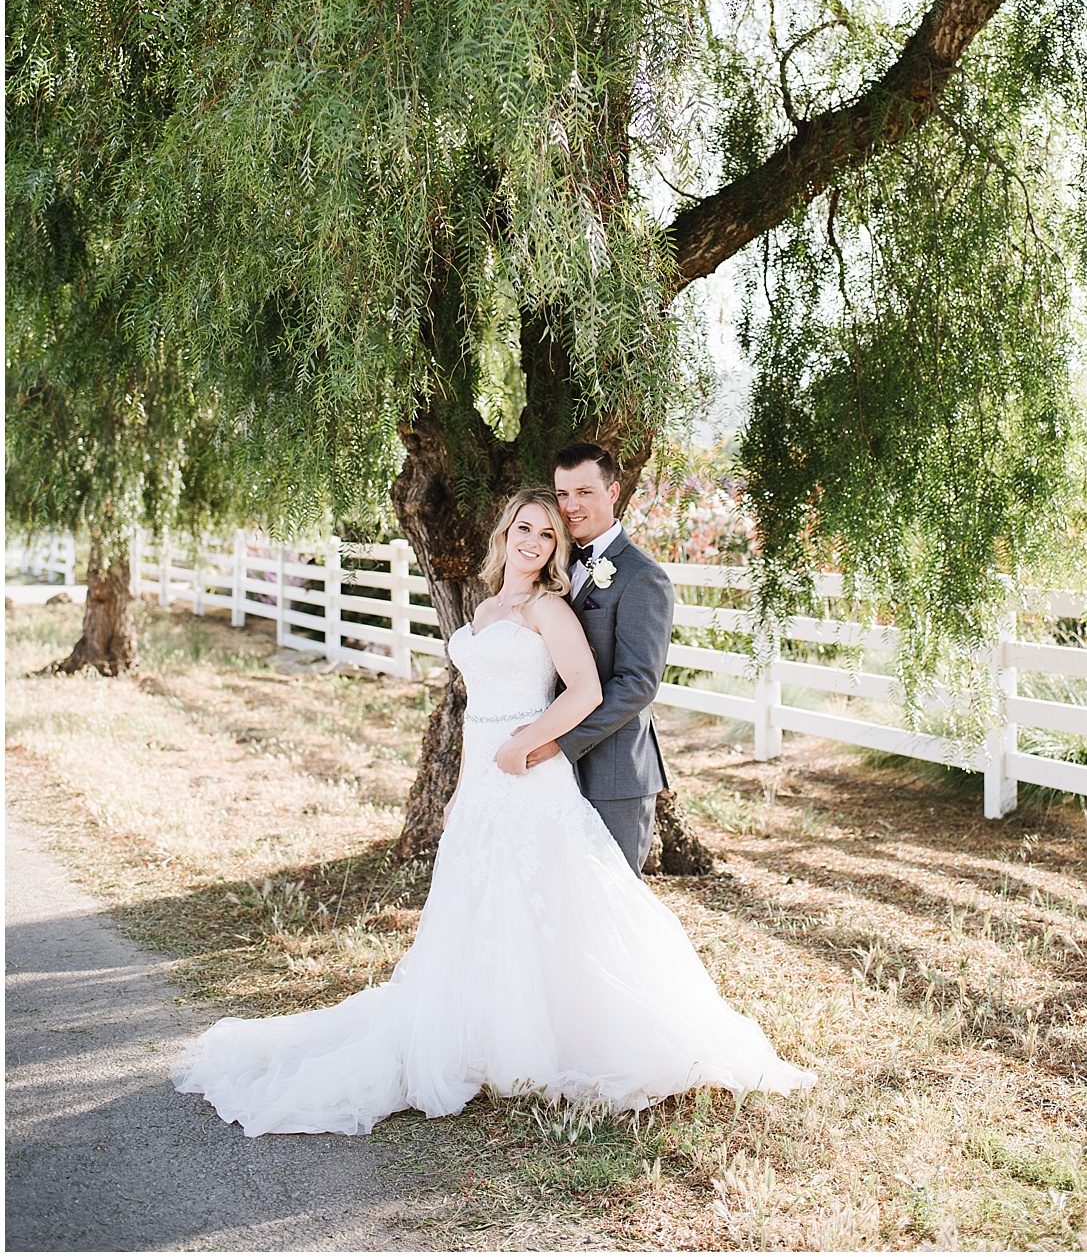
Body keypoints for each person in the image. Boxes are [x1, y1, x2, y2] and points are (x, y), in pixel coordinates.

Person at [172, 489, 814, 1135]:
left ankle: (559, 1037)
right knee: (478, 904)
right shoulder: (483, 609)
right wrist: (460, 787)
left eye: (548, 535)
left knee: (545, 901)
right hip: (483, 778)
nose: (533, 542)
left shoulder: (548, 608)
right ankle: (482, 1029)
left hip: (531, 776)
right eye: (524, 529)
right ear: (504, 534)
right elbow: (475, 712)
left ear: (556, 549)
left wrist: (528, 742)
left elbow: (587, 691)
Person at [524, 441, 674, 874]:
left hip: (613, 772)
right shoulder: (552, 562)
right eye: (562, 494)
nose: (570, 506)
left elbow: (637, 684)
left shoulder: (643, 577)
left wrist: (559, 741)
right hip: (548, 772)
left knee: (613, 894)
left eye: (584, 492)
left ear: (612, 492)